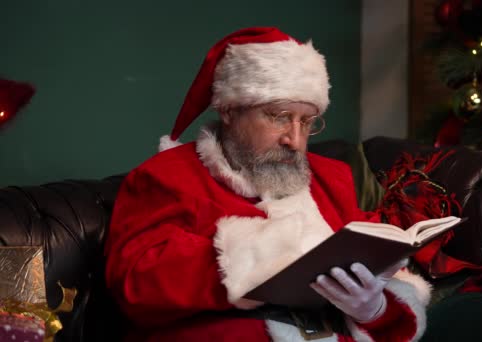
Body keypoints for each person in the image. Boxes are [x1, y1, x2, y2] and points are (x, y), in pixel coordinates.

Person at [104, 27, 432, 341]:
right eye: (278, 116)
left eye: (306, 121)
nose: (295, 139)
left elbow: (380, 286)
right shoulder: (167, 176)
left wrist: (373, 309)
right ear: (230, 110)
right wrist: (256, 262)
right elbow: (134, 282)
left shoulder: (331, 177)